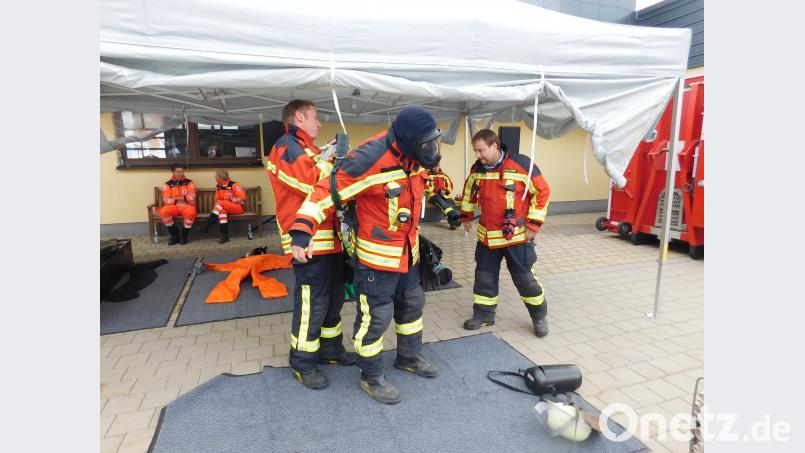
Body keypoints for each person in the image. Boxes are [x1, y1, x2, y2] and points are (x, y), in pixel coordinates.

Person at [289, 105, 442, 405]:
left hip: (407, 253)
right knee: (376, 317)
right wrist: (302, 231)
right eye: (427, 144)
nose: (432, 150)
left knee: (412, 306)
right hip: (376, 260)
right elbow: (326, 191)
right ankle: (371, 376)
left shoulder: (415, 156)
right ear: (410, 141)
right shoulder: (369, 159)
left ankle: (409, 357)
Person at [266, 100, 355, 390]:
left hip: (329, 241)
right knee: (311, 304)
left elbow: (322, 174)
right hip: (307, 242)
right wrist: (331, 159)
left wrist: (325, 153)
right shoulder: (285, 146)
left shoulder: (307, 149)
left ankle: (331, 350)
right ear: (300, 117)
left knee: (333, 299)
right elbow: (311, 182)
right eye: (315, 118)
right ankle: (302, 361)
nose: (319, 123)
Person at [459, 129, 551, 337]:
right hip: (487, 238)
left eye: (481, 150)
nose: (478, 155)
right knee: (484, 278)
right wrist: (466, 215)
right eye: (475, 151)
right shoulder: (478, 169)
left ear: (494, 145)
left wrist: (533, 224)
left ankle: (539, 317)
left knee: (525, 279)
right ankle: (484, 315)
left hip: (516, 237)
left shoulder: (522, 165)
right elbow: (469, 191)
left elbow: (542, 193)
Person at [198, 169, 247, 244]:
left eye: (216, 176)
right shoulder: (219, 186)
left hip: (238, 208)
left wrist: (229, 200)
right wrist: (223, 203)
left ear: (221, 177)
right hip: (225, 207)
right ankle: (224, 237)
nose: (215, 178)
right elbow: (217, 199)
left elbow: (243, 198)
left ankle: (207, 225)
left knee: (220, 203)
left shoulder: (234, 185)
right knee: (222, 212)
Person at [159, 163, 197, 245]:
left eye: (182, 171)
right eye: (179, 172)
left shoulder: (189, 182)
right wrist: (181, 199)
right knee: (163, 212)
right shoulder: (168, 184)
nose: (181, 173)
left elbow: (192, 197)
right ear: (173, 172)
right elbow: (166, 200)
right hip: (173, 207)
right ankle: (174, 235)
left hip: (188, 206)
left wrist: (175, 198)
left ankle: (184, 235)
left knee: (191, 213)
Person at [425, 165, 462, 229]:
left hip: (445, 196)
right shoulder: (427, 175)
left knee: (451, 202)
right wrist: (438, 190)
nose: (436, 168)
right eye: (434, 167)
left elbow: (450, 186)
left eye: (437, 166)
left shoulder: (444, 175)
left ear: (439, 166)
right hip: (433, 196)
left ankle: (453, 223)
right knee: (442, 203)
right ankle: (454, 217)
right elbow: (425, 187)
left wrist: (446, 191)